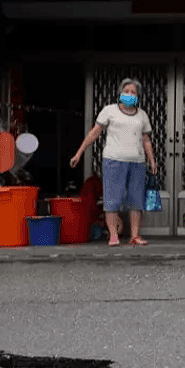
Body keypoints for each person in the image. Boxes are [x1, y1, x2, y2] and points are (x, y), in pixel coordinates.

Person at [70, 78, 157, 246]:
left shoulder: (142, 115)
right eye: (126, 91)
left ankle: (135, 236)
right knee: (112, 199)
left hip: (137, 163)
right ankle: (113, 236)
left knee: (136, 200)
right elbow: (94, 133)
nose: (129, 94)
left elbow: (146, 140)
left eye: (133, 92)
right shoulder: (109, 111)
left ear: (138, 96)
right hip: (113, 161)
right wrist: (79, 153)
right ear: (120, 93)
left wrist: (152, 161)